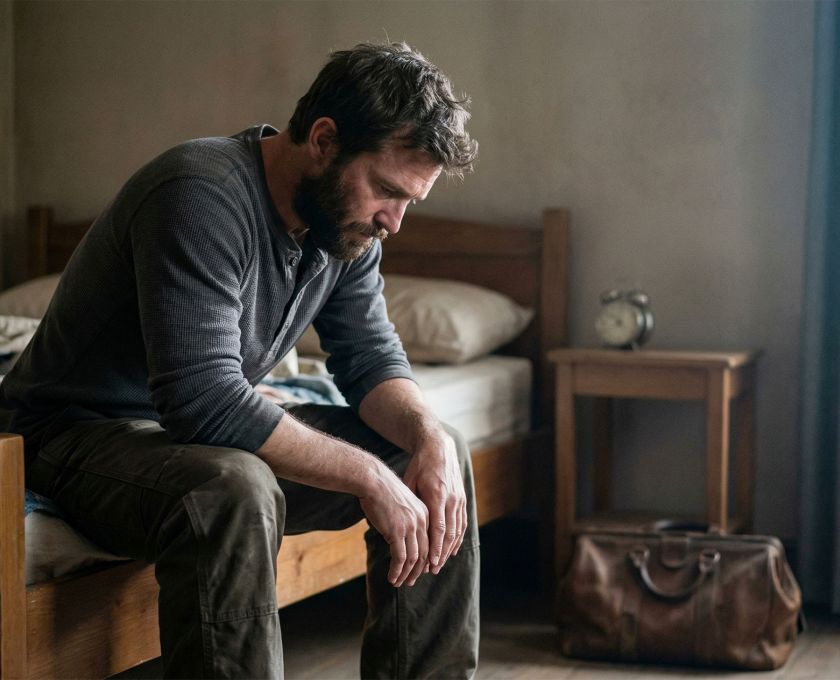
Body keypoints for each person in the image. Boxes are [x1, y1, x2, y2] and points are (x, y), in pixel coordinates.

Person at [0, 42, 479, 679]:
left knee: (437, 449)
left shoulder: (345, 228)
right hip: (74, 436)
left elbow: (368, 362)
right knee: (232, 486)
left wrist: (426, 441)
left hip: (176, 441)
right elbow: (202, 400)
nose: (394, 221)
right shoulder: (199, 192)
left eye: (409, 202)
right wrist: (368, 478)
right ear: (324, 140)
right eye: (387, 191)